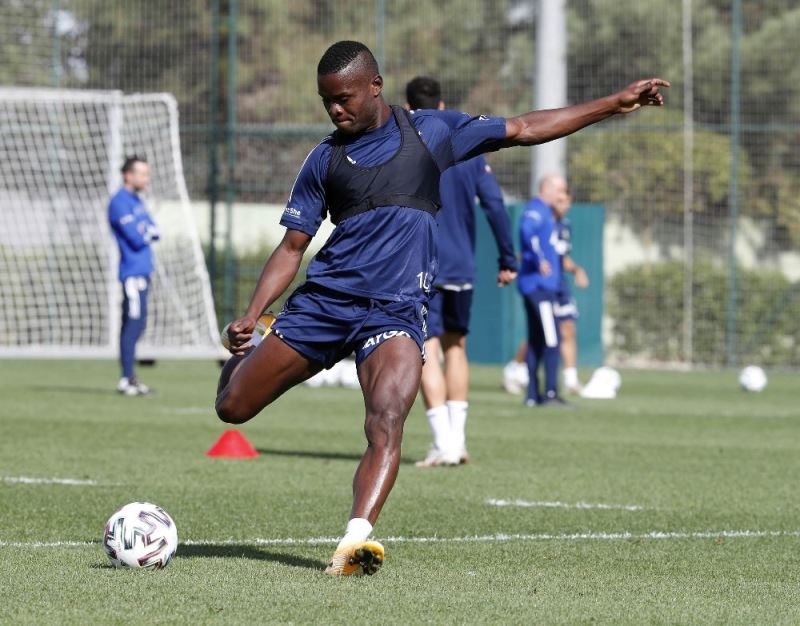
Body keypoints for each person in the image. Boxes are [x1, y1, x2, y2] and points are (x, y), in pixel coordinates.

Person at [214, 39, 668, 576]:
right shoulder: (324, 158)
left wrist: (613, 104)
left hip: (395, 312)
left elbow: (525, 128)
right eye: (326, 101)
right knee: (233, 406)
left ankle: (355, 541)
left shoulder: (432, 131)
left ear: (374, 87)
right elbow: (292, 247)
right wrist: (253, 313)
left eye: (344, 98)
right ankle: (259, 350)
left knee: (387, 418)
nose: (336, 109)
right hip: (326, 302)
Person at [405, 76, 518, 468]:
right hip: (462, 266)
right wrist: (508, 258)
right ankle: (459, 440)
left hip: (423, 264)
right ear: (442, 106)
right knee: (456, 347)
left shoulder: (407, 142)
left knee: (426, 350)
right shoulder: (469, 151)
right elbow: (495, 204)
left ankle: (444, 442)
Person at [517, 174, 571, 407]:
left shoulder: (547, 213)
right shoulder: (536, 210)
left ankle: (532, 395)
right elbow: (526, 231)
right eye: (560, 190)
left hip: (540, 286)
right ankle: (549, 393)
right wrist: (539, 259)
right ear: (547, 189)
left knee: (537, 339)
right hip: (539, 286)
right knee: (552, 339)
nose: (562, 196)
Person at [108, 156, 159, 396]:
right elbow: (137, 237)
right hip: (132, 274)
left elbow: (154, 230)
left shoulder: (136, 201)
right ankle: (126, 379)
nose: (146, 179)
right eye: (142, 174)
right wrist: (145, 231)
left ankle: (129, 378)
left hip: (142, 273)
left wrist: (146, 230)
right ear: (128, 175)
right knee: (133, 325)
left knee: (136, 324)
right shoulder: (119, 202)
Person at [552, 188, 589, 394]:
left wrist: (577, 270)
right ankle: (516, 367)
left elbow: (562, 257)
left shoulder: (565, 226)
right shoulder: (541, 221)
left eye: (566, 201)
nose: (563, 205)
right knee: (543, 331)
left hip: (561, 285)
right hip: (544, 286)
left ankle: (571, 380)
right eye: (559, 200)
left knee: (568, 327)